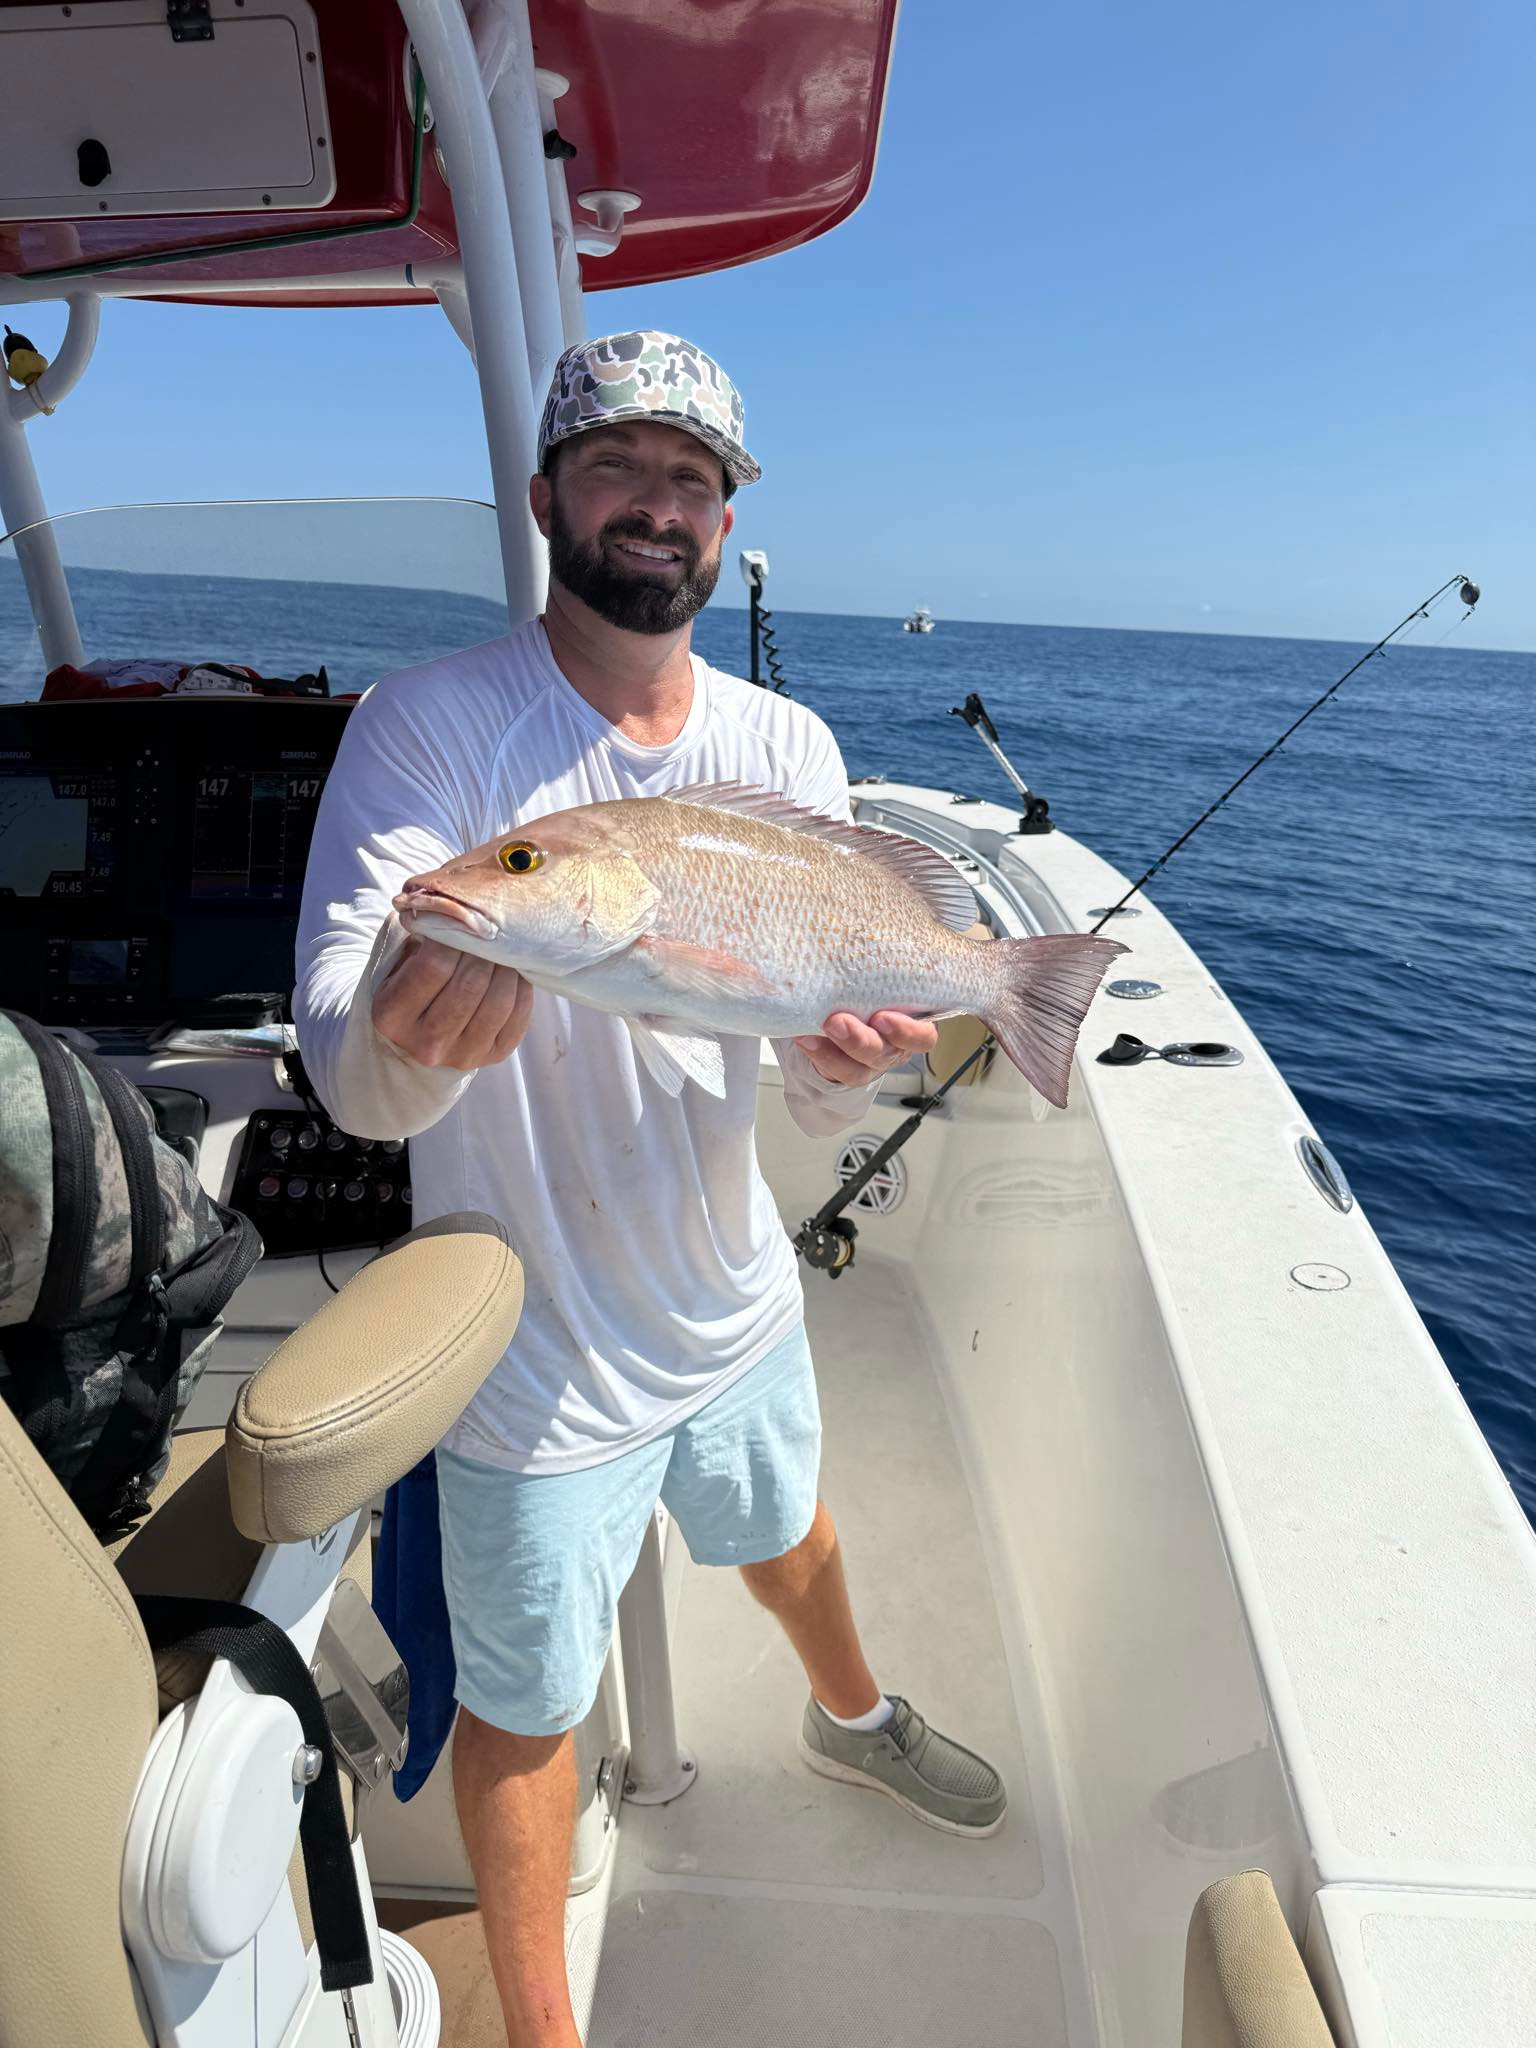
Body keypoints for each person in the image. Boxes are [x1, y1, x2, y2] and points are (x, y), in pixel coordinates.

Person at [294, 330, 1005, 2048]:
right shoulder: (432, 729)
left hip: (732, 1289)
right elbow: (348, 1070)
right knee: (529, 1708)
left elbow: (797, 1039)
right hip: (527, 1347)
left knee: (790, 1528)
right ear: (547, 498)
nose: (657, 507)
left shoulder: (789, 742)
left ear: (727, 515)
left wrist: (842, 1067)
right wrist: (413, 1032)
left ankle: (851, 1712)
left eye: (691, 478)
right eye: (617, 467)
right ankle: (548, 2035)